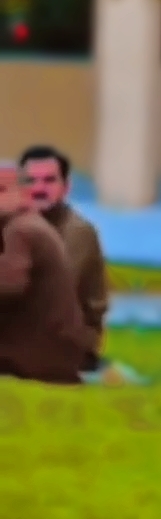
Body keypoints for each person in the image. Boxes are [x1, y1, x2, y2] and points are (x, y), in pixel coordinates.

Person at [19, 145, 108, 371]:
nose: (39, 188)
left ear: (65, 187)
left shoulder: (77, 232)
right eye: (30, 181)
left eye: (49, 180)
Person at [0, 161, 87, 384]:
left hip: (37, 355)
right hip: (54, 350)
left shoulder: (21, 230)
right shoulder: (26, 225)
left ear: (24, 194)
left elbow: (9, 287)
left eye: (1, 191)